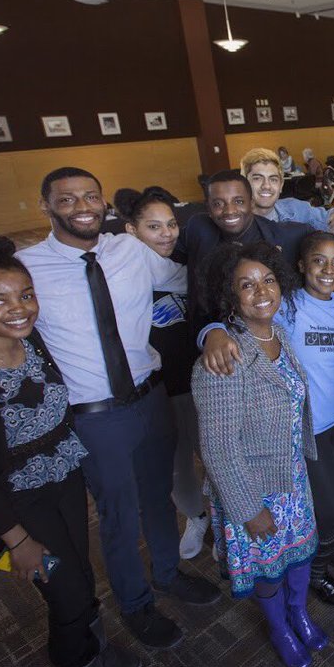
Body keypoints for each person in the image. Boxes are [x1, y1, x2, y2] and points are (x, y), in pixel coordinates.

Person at [0, 167, 220, 649]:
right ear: (45, 206)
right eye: (67, 200)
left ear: (105, 203)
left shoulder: (129, 249)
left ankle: (169, 574)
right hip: (93, 416)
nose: (83, 207)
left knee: (160, 496)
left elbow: (182, 280)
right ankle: (136, 603)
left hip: (150, 396)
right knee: (119, 513)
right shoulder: (21, 271)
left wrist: (224, 307)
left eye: (91, 196)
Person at [0, 231, 141, 667]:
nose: (18, 308)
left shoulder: (33, 341)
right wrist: (16, 540)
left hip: (61, 476)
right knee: (64, 593)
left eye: (25, 295)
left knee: (81, 573)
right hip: (13, 501)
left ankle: (96, 645)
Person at [198, 231, 334, 606]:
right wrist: (210, 332)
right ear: (301, 267)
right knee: (328, 508)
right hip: (312, 428)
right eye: (319, 261)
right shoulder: (286, 305)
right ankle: (319, 573)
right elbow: (239, 318)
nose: (328, 269)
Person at [191, 242, 326, 667]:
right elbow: (218, 448)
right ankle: (279, 628)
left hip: (291, 477)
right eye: (246, 285)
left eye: (268, 280)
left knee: (300, 553)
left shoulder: (276, 334)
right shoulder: (223, 357)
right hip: (253, 490)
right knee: (269, 568)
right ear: (230, 298)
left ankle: (300, 614)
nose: (261, 291)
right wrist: (249, 510)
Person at [116, 186, 209, 560]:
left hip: (204, 380)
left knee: (217, 456)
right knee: (177, 466)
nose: (167, 233)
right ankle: (197, 516)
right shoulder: (121, 271)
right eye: (154, 227)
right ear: (132, 231)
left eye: (171, 224)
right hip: (159, 388)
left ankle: (224, 516)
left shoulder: (190, 265)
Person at [173, 169, 313, 333]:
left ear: (252, 203)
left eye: (239, 201)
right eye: (218, 204)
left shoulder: (288, 237)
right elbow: (165, 248)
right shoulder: (198, 228)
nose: (229, 210)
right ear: (208, 209)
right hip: (207, 334)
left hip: (269, 335)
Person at [241, 148, 330, 230]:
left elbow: (330, 217)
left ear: (281, 185)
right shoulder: (234, 223)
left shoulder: (295, 209)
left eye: (273, 179)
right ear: (244, 184)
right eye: (257, 178)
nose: (266, 186)